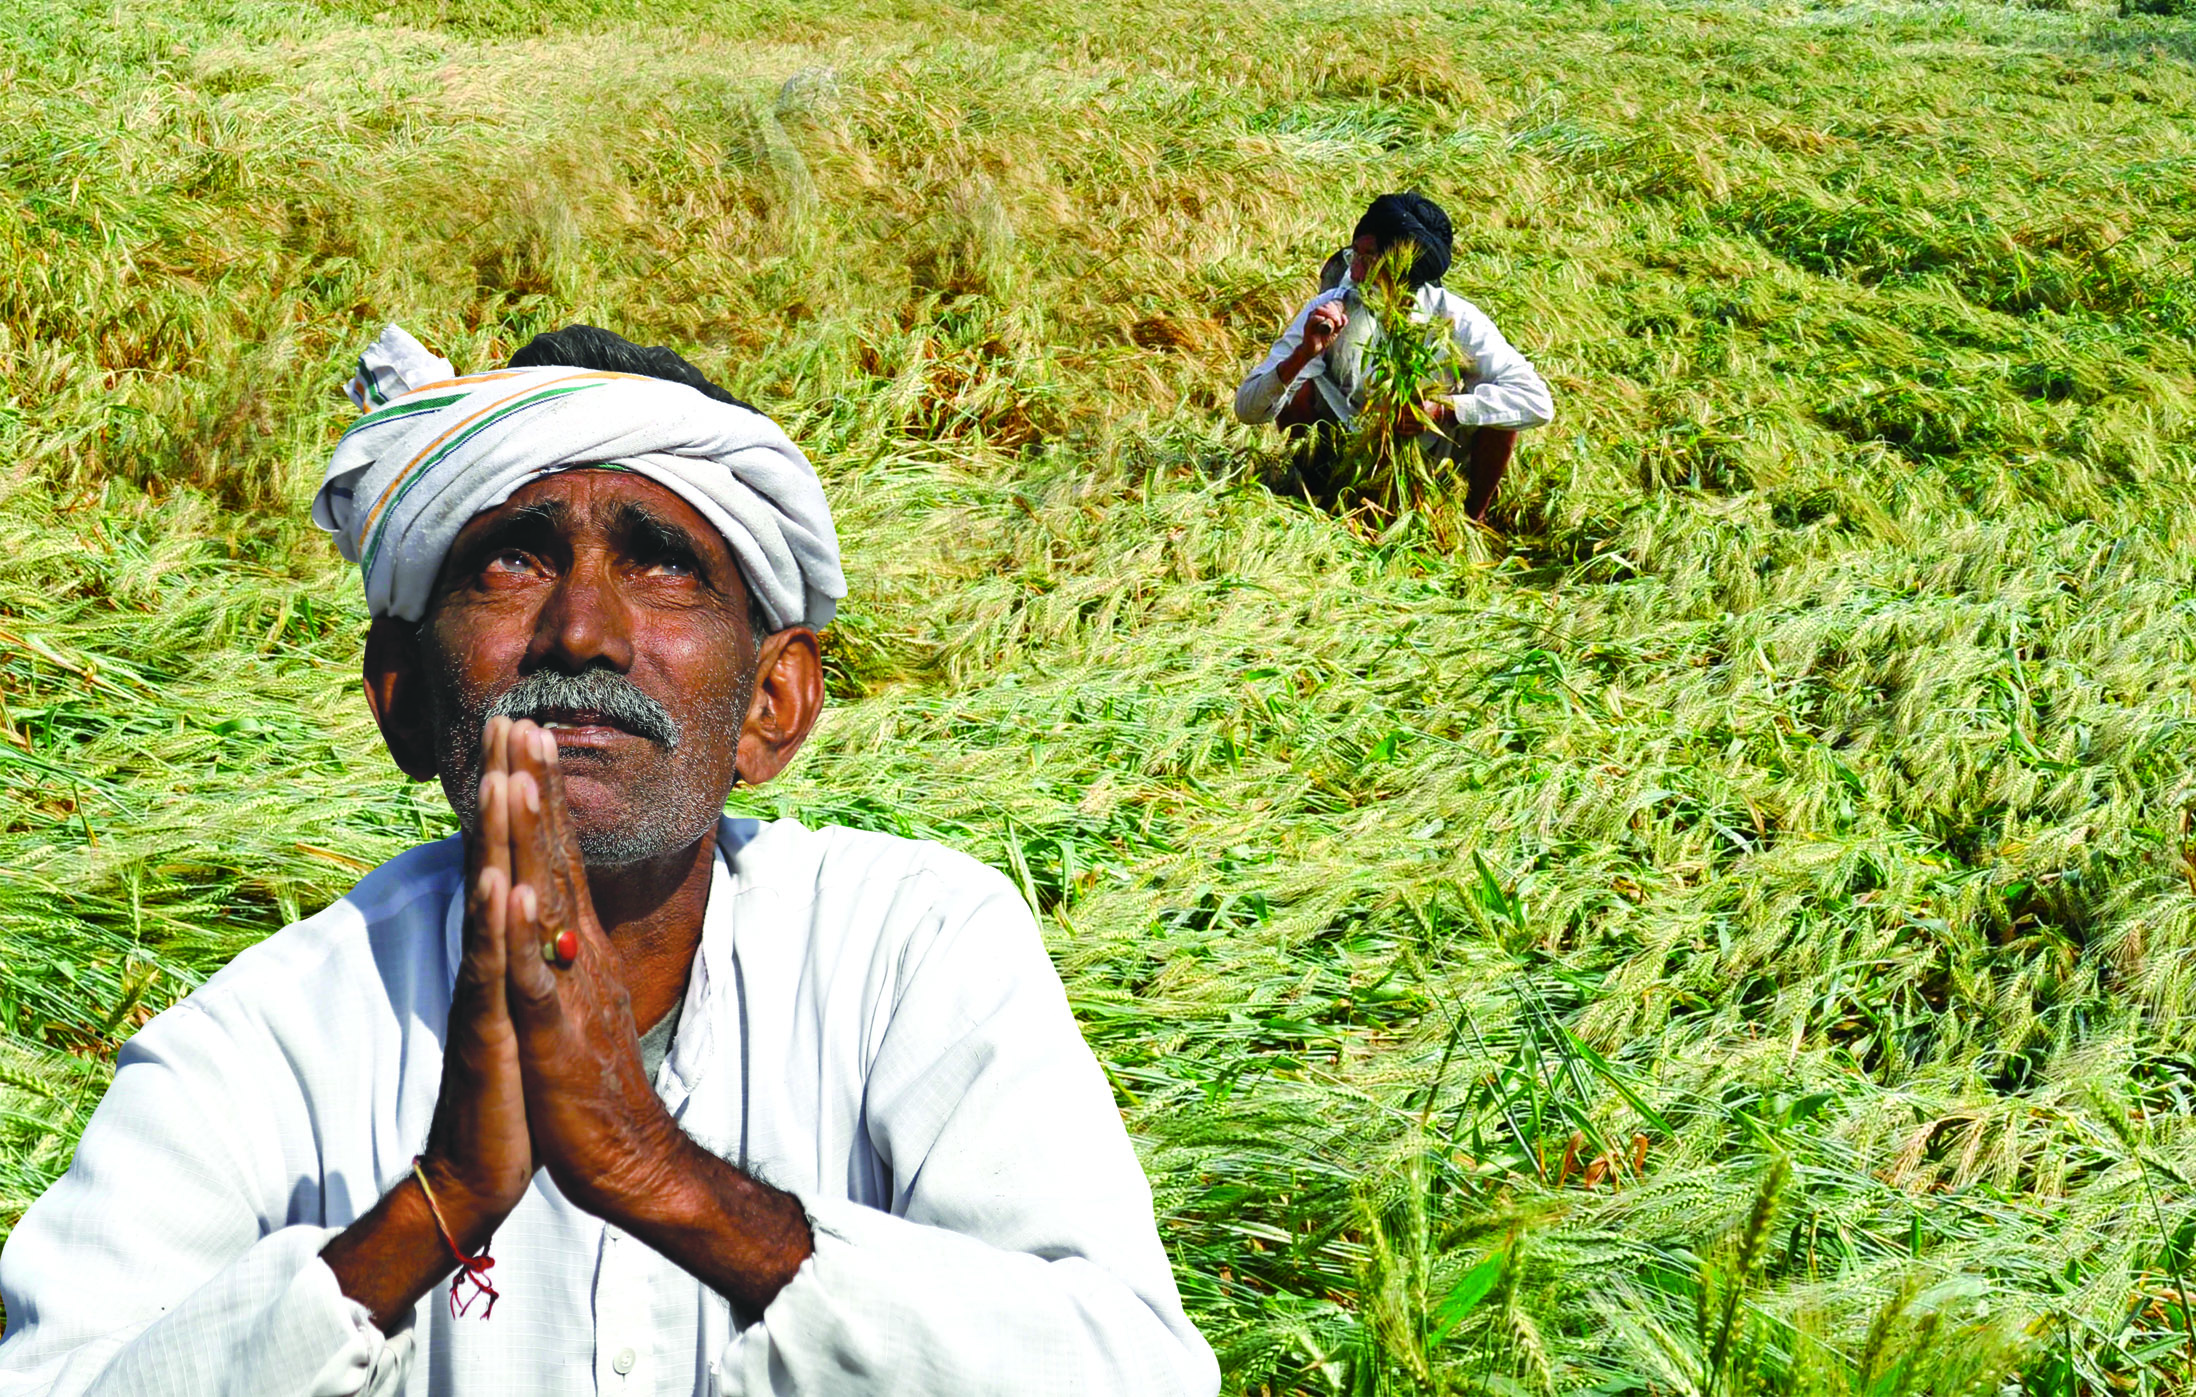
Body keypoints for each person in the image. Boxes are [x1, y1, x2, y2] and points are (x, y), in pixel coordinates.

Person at [0, 324, 1220, 1396]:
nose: (582, 629)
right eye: (513, 558)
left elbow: (1133, 1371)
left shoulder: (917, 953)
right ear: (404, 698)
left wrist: (669, 1180)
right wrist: (430, 1211)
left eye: (663, 562)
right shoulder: (264, 1043)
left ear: (774, 704)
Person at [1234, 192, 1555, 522]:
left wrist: (1441, 410)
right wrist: (1304, 353)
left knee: (1500, 415)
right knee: (1298, 389)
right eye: (1353, 254)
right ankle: (1317, 495)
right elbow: (1247, 409)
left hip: (1427, 461)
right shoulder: (1333, 307)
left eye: (1370, 259)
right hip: (1346, 447)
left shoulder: (1454, 317)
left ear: (1405, 266)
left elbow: (1537, 402)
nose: (1356, 273)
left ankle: (1473, 518)